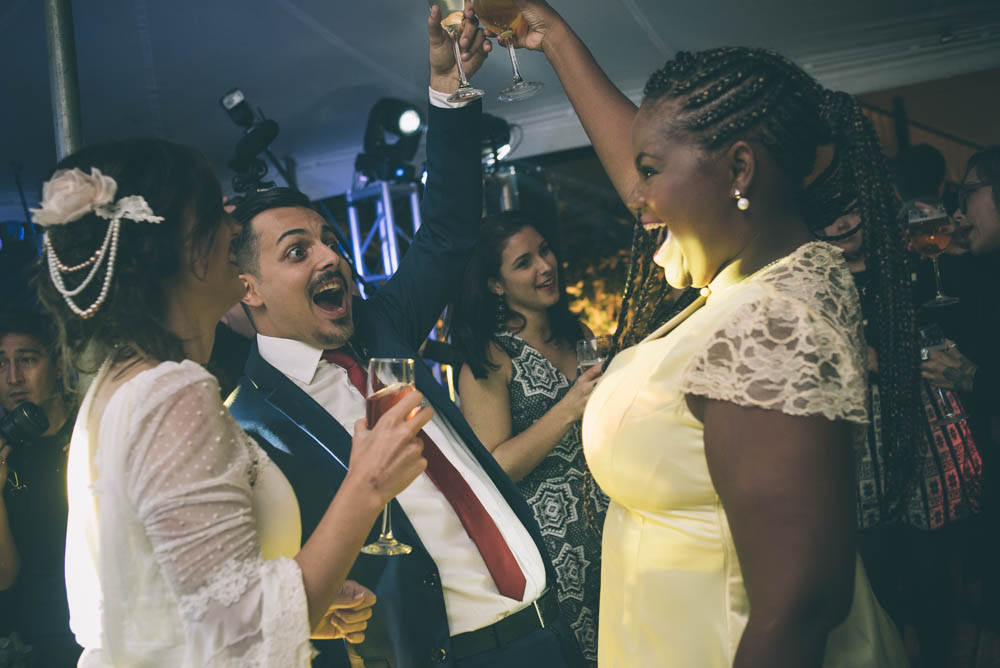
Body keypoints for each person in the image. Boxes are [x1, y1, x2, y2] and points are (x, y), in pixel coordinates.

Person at [500, 2, 912, 666]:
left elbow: (801, 605)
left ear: (740, 172)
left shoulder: (774, 324)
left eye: (653, 171)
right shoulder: (746, 282)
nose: (637, 195)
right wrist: (553, 38)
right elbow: (655, 178)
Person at [226, 8, 585, 668]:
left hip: (550, 629)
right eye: (296, 252)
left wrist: (448, 90)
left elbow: (448, 231)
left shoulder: (380, 326)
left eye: (330, 242)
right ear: (249, 288)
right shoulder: (250, 419)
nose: (329, 259)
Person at [32, 132, 432, 665]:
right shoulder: (170, 394)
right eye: (216, 215)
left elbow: (178, 601)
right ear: (183, 246)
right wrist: (368, 485)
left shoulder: (115, 384)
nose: (232, 225)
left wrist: (304, 599)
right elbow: (240, 642)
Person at [449, 212, 606, 662]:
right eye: (524, 262)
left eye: (546, 250)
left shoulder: (579, 336)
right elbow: (494, 469)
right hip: (554, 544)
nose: (544, 266)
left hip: (613, 521)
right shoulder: (490, 357)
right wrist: (569, 407)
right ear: (496, 285)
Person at [0, 308, 81, 666]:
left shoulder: (91, 432)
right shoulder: (7, 452)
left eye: (27, 360)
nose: (13, 377)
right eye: (1, 364)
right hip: (35, 637)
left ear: (60, 364)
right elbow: (6, 579)